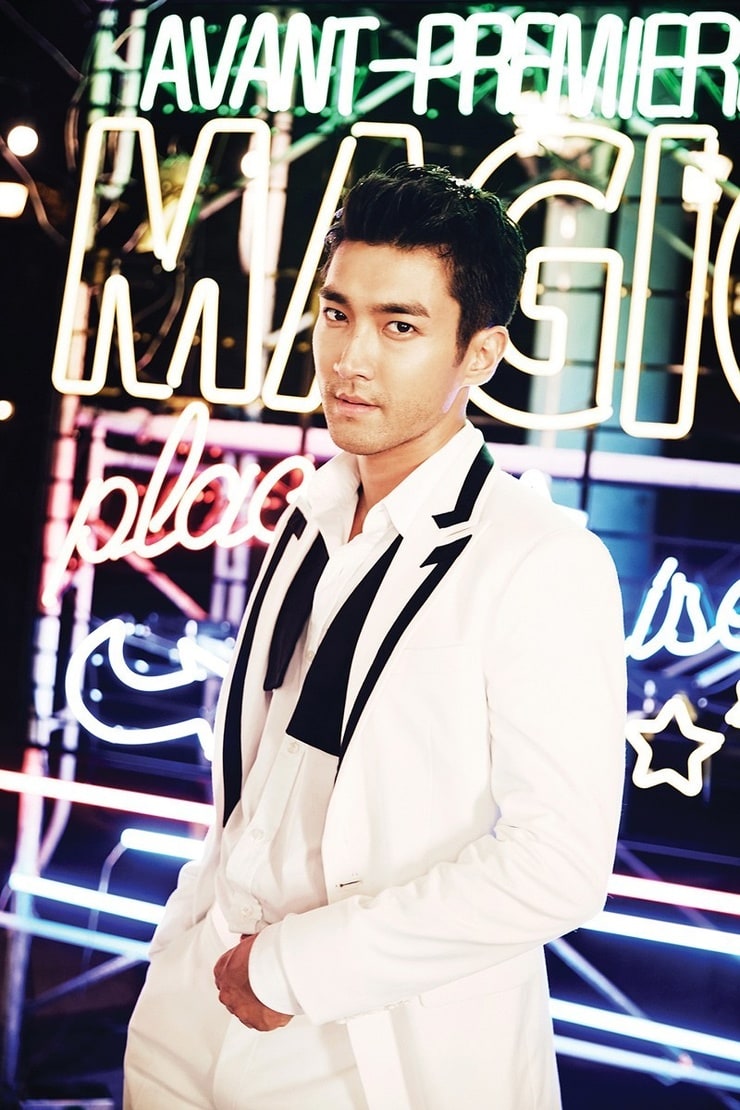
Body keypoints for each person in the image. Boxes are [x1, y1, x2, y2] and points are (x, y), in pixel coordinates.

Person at [123, 163, 626, 1109]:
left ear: (480, 355)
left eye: (400, 327)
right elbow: (265, 782)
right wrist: (189, 941)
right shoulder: (310, 513)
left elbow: (557, 867)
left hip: (371, 1047)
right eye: (336, 313)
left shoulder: (540, 558)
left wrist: (292, 968)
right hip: (192, 1005)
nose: (350, 357)